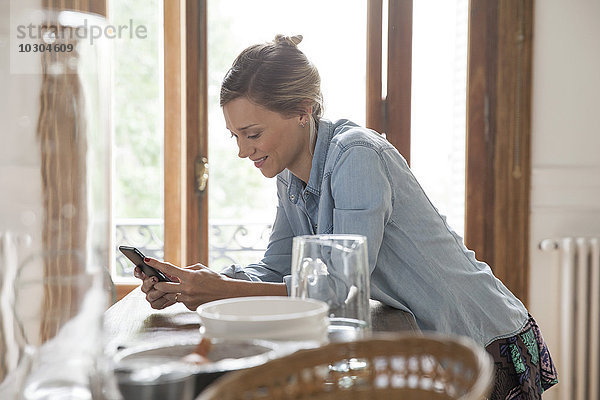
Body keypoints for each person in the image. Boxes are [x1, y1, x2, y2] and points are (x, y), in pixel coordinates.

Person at [135, 34, 557, 398]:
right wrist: (194, 283)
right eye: (236, 137)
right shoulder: (289, 175)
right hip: (428, 346)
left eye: (253, 134)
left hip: (484, 337)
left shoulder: (356, 156)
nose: (244, 151)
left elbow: (338, 289)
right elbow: (277, 269)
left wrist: (221, 291)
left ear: (303, 110)